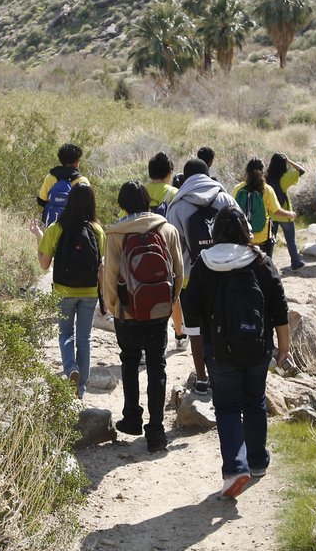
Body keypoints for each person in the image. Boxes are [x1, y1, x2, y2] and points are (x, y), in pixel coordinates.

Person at [183, 207, 290, 498]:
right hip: (257, 348)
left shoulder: (204, 264)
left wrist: (199, 363)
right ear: (246, 230)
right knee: (255, 402)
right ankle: (257, 462)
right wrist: (284, 347)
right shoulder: (260, 261)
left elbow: (191, 315)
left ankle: (235, 467)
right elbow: (280, 307)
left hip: (219, 351)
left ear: (215, 232)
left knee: (228, 408)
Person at [101, 181, 184, 452]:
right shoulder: (166, 228)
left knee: (130, 363)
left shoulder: (115, 234)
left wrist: (113, 306)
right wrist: (170, 301)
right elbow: (179, 271)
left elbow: (111, 276)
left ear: (122, 204)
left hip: (127, 310)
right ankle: (157, 430)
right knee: (157, 366)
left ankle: (132, 418)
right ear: (148, 200)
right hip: (159, 311)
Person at [167, 158, 239, 393]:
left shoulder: (177, 206)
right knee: (226, 322)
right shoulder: (226, 198)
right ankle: (228, 370)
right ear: (208, 174)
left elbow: (173, 247)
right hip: (226, 273)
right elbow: (243, 232)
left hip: (192, 277)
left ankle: (202, 378)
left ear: (185, 177)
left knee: (196, 330)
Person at [30, 183, 104, 399]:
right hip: (89, 291)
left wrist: (38, 237)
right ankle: (80, 390)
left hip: (64, 290)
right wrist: (105, 298)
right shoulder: (97, 230)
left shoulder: (56, 228)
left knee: (65, 333)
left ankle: (70, 368)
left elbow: (44, 265)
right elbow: (101, 266)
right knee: (84, 338)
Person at [144, 152, 187, 350]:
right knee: (172, 293)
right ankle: (179, 335)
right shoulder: (173, 193)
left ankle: (145, 343)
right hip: (166, 248)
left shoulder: (141, 190)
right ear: (170, 173)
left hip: (141, 249)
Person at [233, 158, 295, 258]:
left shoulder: (238, 188)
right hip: (262, 238)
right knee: (264, 269)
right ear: (262, 172)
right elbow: (277, 211)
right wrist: (290, 214)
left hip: (243, 237)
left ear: (247, 171)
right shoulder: (267, 189)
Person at [266, 153, 306, 270]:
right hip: (285, 214)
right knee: (290, 241)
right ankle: (296, 263)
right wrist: (289, 161)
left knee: (269, 241)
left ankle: (267, 265)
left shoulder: (265, 177)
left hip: (271, 214)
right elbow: (302, 171)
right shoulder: (285, 177)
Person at [37, 143, 90, 225]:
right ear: (77, 161)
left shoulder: (51, 177)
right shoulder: (82, 181)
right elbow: (87, 207)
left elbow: (42, 200)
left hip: (52, 224)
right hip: (73, 227)